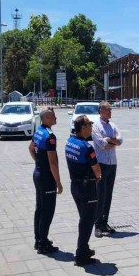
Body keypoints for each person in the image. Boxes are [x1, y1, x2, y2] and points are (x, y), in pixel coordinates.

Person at [65, 115, 102, 266]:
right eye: (89, 124)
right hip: (87, 188)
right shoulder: (87, 147)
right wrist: (98, 176)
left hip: (75, 186)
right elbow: (97, 170)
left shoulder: (70, 142)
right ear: (83, 127)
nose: (91, 127)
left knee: (84, 218)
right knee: (87, 221)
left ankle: (84, 248)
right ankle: (81, 255)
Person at [28, 109, 63, 254]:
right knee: (47, 211)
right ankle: (43, 243)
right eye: (53, 116)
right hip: (47, 178)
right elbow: (53, 162)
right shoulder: (50, 137)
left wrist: (38, 162)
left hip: (37, 174)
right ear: (47, 118)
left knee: (40, 208)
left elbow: (30, 148)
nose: (56, 118)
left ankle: (39, 239)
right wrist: (59, 183)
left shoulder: (38, 131)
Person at [91, 101, 123, 237]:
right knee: (100, 194)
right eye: (108, 109)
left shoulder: (112, 125)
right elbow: (101, 143)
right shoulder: (96, 126)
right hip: (101, 163)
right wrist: (112, 141)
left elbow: (120, 140)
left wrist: (111, 141)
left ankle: (104, 221)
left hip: (112, 164)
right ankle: (97, 224)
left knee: (108, 194)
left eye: (110, 109)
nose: (110, 112)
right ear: (101, 111)